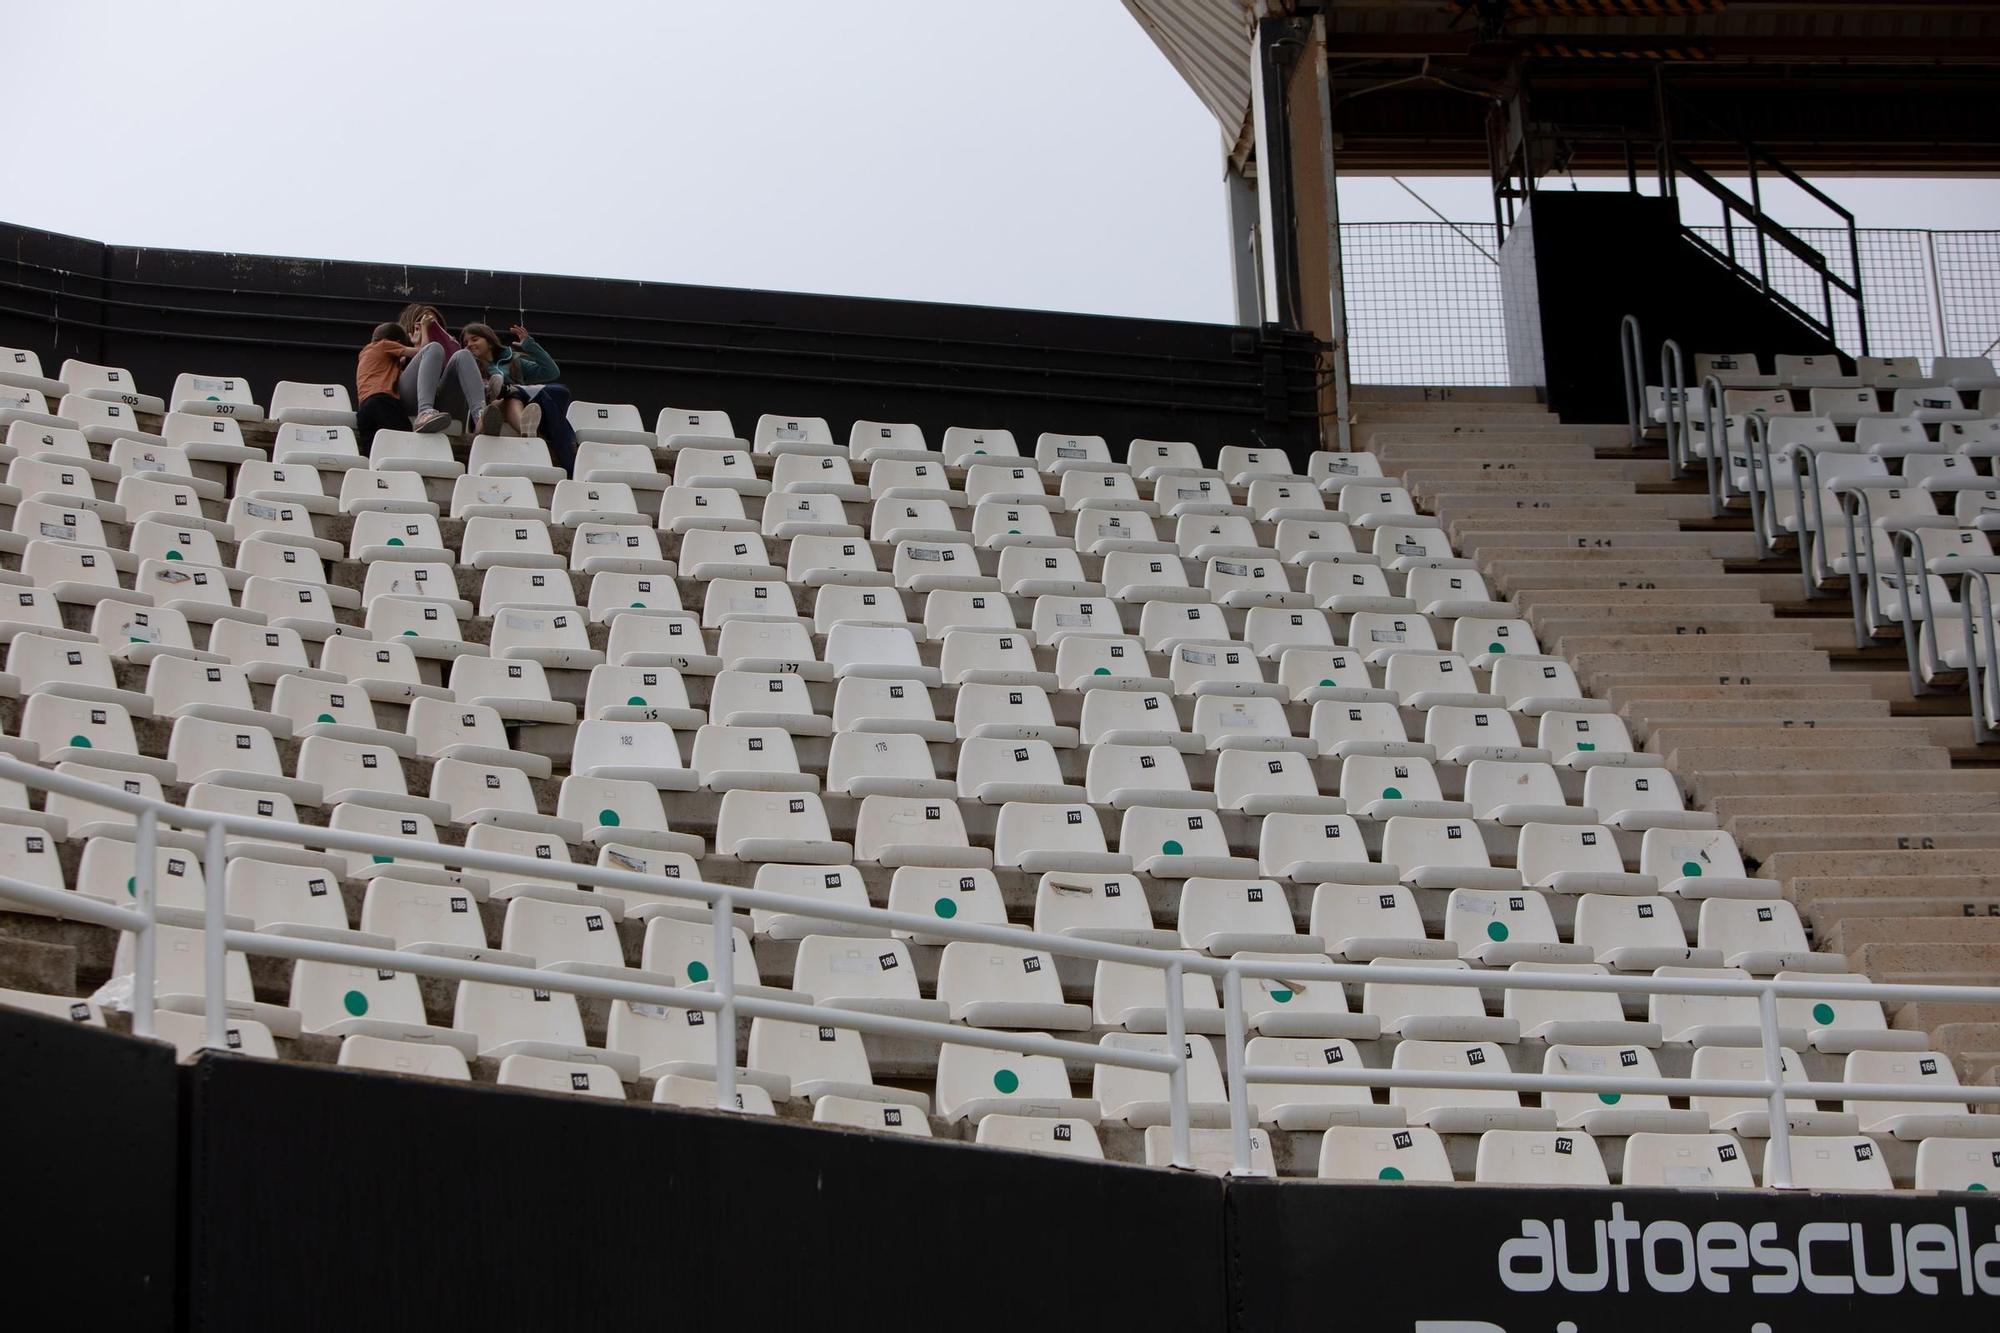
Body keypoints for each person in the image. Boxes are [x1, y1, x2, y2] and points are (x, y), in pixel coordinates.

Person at [462, 320, 579, 469]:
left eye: (474, 339)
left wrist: (530, 345)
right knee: (508, 397)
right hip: (487, 409)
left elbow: (551, 371)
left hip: (515, 402)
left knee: (553, 391)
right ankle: (506, 393)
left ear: (490, 342)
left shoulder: (513, 362)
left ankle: (525, 428)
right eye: (466, 342)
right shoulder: (469, 366)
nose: (469, 344)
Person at [395, 302, 500, 434]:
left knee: (463, 354)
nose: (431, 326)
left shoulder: (445, 351)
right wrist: (419, 343)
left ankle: (480, 418)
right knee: (433, 348)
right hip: (409, 399)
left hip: (441, 403)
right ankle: (424, 412)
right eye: (425, 321)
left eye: (434, 323)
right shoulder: (397, 344)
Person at [354, 322, 417, 450]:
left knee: (374, 453)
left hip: (364, 409)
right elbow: (423, 352)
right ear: (397, 342)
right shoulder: (384, 345)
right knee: (405, 442)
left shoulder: (366, 353)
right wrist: (422, 334)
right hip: (382, 402)